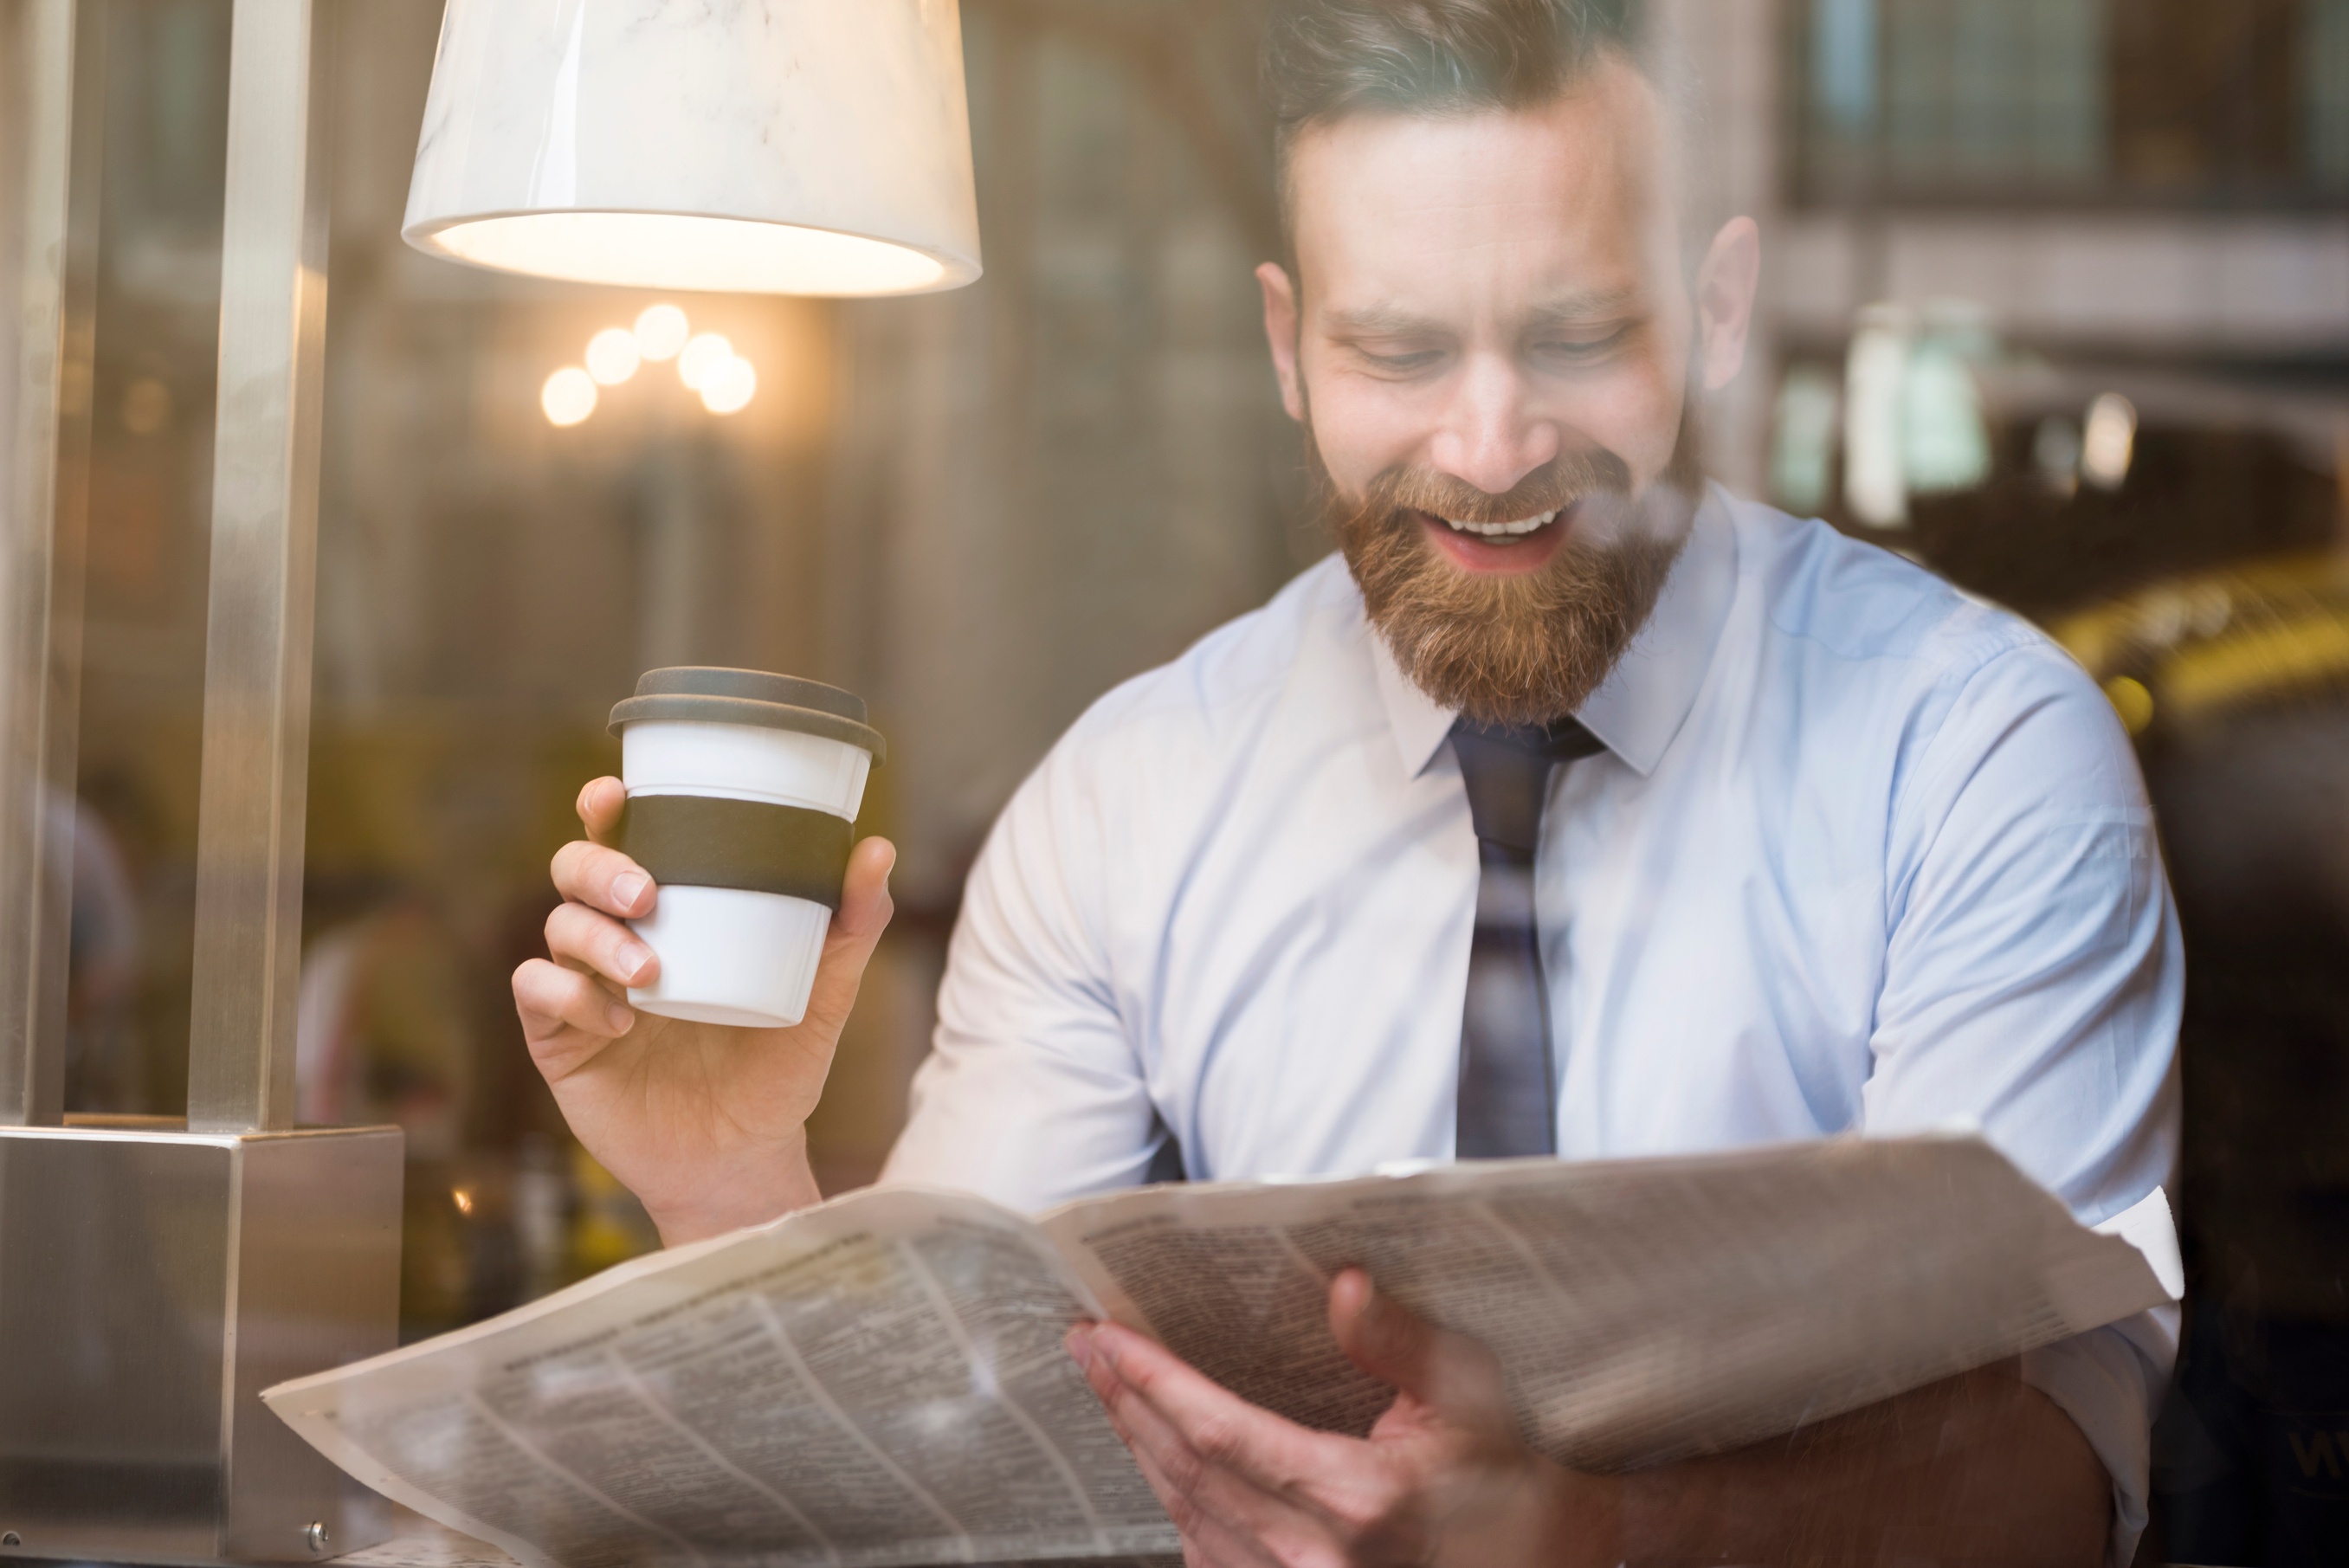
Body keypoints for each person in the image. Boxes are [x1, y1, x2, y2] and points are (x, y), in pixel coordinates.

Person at [513, 2, 2179, 1562]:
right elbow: (954, 1451)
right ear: (1288, 346)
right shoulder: (1129, 799)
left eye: (1578, 333)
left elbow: (2059, 1476)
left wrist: (1587, 1541)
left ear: (1716, 311)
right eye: (1397, 351)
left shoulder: (1971, 754)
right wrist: (731, 1187)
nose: (1489, 446)